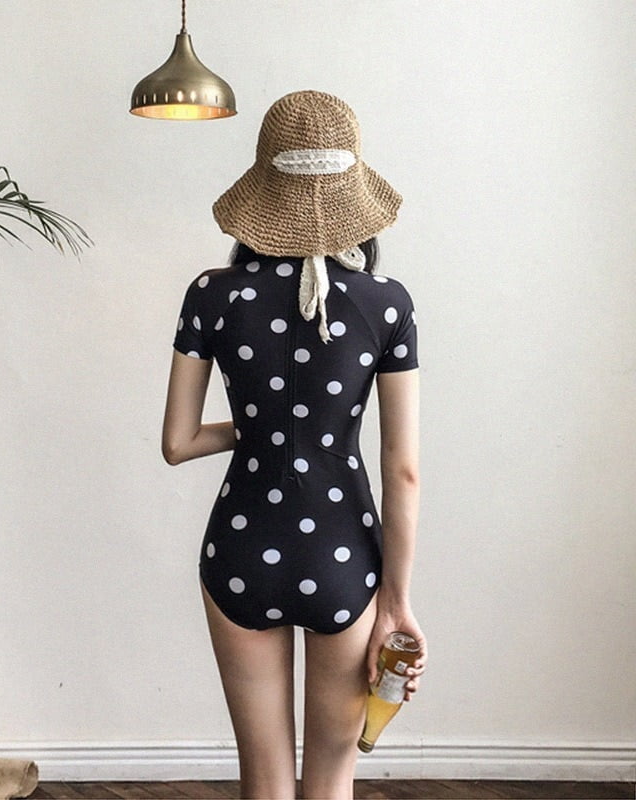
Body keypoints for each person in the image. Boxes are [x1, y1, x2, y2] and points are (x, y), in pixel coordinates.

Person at [162, 90, 427, 800]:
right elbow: (402, 471)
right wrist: (397, 605)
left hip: (242, 547)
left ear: (261, 192)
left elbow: (178, 443)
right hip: (345, 555)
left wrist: (262, 428)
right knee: (331, 779)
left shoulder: (210, 293)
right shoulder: (388, 303)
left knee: (264, 779)